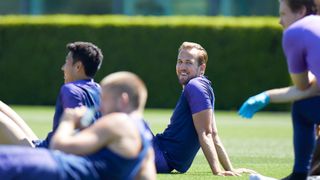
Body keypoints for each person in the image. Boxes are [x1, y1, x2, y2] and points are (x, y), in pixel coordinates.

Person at [0, 71, 156, 180]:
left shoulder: (119, 121)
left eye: (104, 99)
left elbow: (59, 145)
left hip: (51, 169)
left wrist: (68, 121)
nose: (100, 107)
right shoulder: (145, 141)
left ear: (123, 100)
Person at [238, 0, 320, 179]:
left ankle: (300, 175)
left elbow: (303, 88)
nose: (279, 21)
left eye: (283, 14)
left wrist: (266, 96)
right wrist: (268, 96)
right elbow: (315, 89)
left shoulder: (295, 32)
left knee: (302, 108)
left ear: (300, 12)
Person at [145, 41, 254, 176]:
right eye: (180, 61)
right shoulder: (203, 86)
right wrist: (229, 168)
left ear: (201, 68)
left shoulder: (195, 87)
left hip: (159, 155)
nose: (182, 67)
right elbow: (213, 133)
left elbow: (207, 134)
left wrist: (218, 171)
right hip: (159, 152)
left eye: (189, 63)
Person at [0, 41, 103, 148]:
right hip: (44, 146)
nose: (62, 68)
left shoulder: (71, 89)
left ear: (77, 67)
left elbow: (76, 129)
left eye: (66, 62)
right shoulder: (98, 89)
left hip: (47, 155)